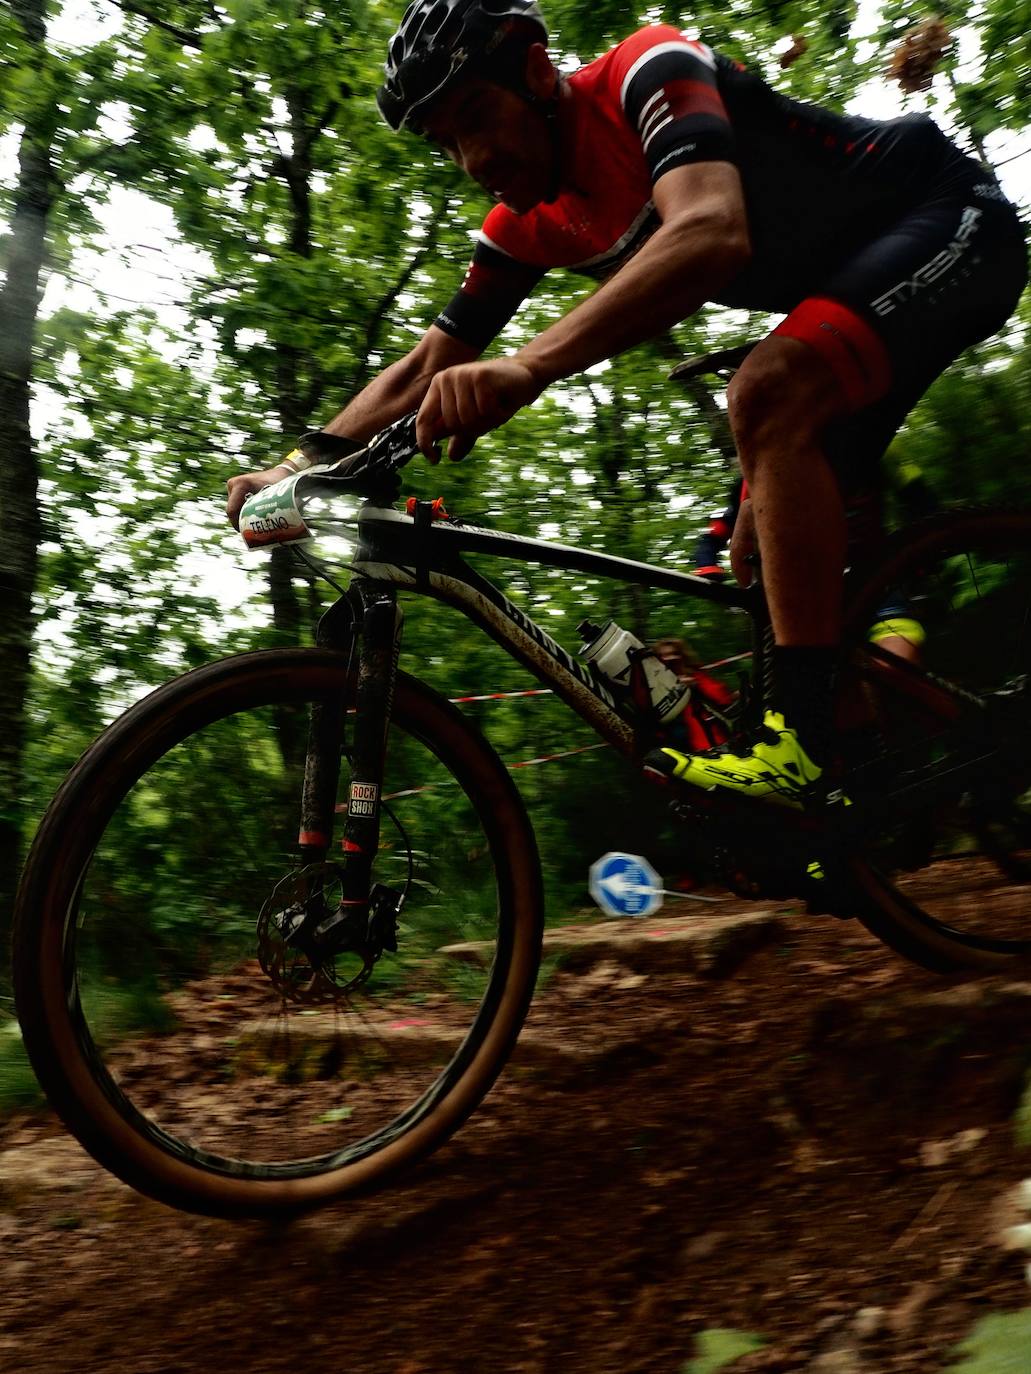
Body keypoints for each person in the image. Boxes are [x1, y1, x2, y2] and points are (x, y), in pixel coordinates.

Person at [226, 0, 1027, 811]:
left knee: (766, 393)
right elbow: (429, 362)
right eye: (447, 142)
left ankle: (806, 747)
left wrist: (528, 366)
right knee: (760, 558)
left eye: (474, 115)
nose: (471, 157)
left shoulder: (647, 69)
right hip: (847, 293)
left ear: (536, 69)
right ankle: (859, 798)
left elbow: (712, 232)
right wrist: (298, 466)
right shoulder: (525, 224)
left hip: (950, 217)